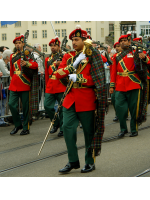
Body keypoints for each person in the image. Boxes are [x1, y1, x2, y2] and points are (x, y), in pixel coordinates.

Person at [55, 25, 106, 174]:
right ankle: (73, 161)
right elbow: (58, 74)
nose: (74, 43)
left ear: (85, 40)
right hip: (70, 99)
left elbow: (98, 79)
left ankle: (90, 162)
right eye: (72, 40)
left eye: (77, 40)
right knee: (67, 129)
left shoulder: (93, 55)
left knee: (89, 133)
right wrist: (73, 66)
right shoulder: (68, 57)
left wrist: (80, 78)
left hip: (86, 98)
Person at [109, 33, 150, 138]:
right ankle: (123, 129)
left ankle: (134, 129)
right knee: (120, 109)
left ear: (129, 42)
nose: (123, 42)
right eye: (121, 41)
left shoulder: (136, 52)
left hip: (134, 83)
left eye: (125, 41)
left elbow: (149, 63)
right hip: (120, 85)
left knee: (134, 109)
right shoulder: (116, 56)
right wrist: (112, 86)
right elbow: (113, 72)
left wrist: (144, 57)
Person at [8, 34, 38, 135]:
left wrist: (27, 63)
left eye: (19, 43)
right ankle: (17, 125)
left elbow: (35, 64)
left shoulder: (27, 53)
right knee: (11, 104)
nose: (17, 45)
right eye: (16, 43)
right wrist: (11, 80)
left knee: (26, 107)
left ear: (23, 44)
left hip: (24, 83)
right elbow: (12, 71)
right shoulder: (12, 55)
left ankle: (26, 127)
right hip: (14, 84)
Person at [44, 37, 66, 137]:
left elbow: (67, 69)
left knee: (61, 109)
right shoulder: (47, 59)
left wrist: (60, 63)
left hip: (60, 85)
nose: (53, 47)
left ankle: (62, 128)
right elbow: (46, 74)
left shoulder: (63, 57)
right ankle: (56, 123)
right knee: (47, 106)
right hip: (50, 86)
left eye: (55, 45)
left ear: (59, 46)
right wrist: (46, 85)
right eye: (51, 46)